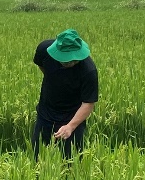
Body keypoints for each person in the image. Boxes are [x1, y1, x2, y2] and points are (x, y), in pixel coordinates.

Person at [32, 28, 98, 159]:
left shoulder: (88, 71)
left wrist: (70, 126)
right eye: (66, 60)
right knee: (38, 158)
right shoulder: (44, 50)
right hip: (45, 113)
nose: (71, 63)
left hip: (73, 116)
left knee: (71, 161)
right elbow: (42, 66)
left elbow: (88, 104)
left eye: (74, 60)